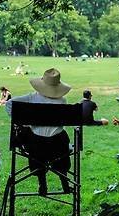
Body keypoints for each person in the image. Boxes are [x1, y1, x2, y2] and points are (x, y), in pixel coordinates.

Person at [5, 68, 72, 196]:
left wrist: (20, 122)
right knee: (61, 139)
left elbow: (8, 104)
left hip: (36, 147)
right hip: (58, 147)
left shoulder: (31, 98)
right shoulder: (63, 101)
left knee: (34, 140)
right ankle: (64, 180)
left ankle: (42, 183)